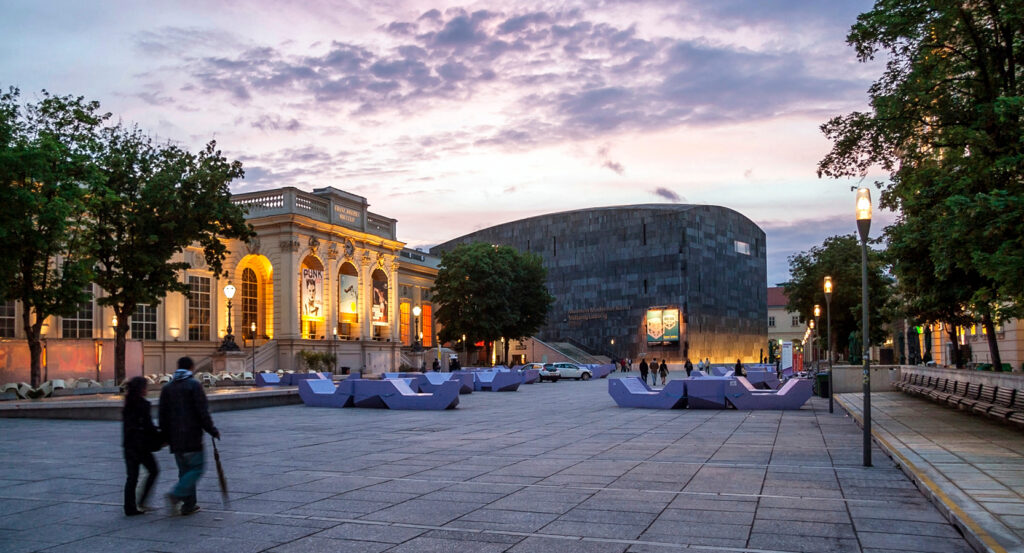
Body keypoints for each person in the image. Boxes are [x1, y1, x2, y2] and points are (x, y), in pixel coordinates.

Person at [160, 357, 220, 516]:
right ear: (191, 368)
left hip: (175, 437)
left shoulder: (168, 387)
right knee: (196, 468)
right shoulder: (194, 385)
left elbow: (162, 415)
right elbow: (202, 412)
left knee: (184, 471)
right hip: (192, 435)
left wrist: (164, 436)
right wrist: (212, 430)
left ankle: (189, 505)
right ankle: (176, 494)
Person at [123, 376, 160, 516]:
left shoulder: (128, 403)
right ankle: (142, 501)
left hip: (129, 445)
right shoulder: (143, 404)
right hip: (141, 446)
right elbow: (148, 426)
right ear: (141, 389)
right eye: (145, 387)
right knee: (154, 470)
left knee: (131, 477)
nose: (147, 390)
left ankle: (129, 506)